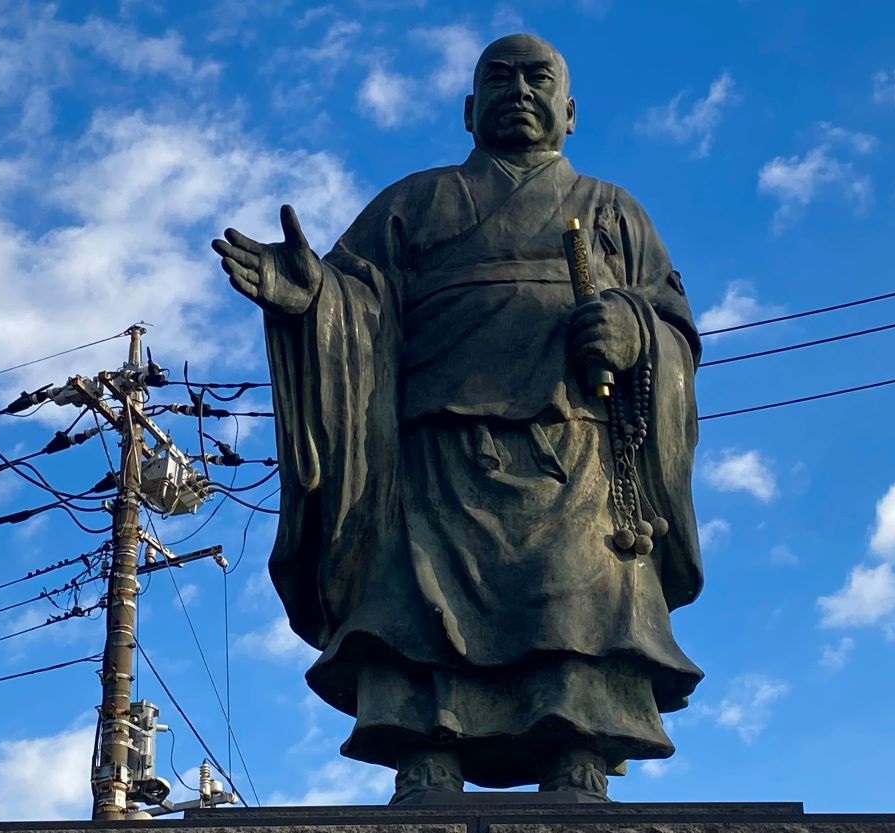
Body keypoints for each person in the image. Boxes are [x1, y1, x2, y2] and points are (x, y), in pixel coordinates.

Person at [212, 33, 703, 803]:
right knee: (422, 608)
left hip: (570, 451)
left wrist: (637, 332)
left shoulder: (614, 213)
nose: (519, 91)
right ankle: (426, 753)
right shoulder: (415, 202)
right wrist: (312, 301)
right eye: (499, 79)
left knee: (572, 595)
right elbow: (355, 298)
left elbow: (672, 324)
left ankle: (573, 746)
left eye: (538, 79)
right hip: (434, 453)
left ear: (569, 111)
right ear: (470, 109)